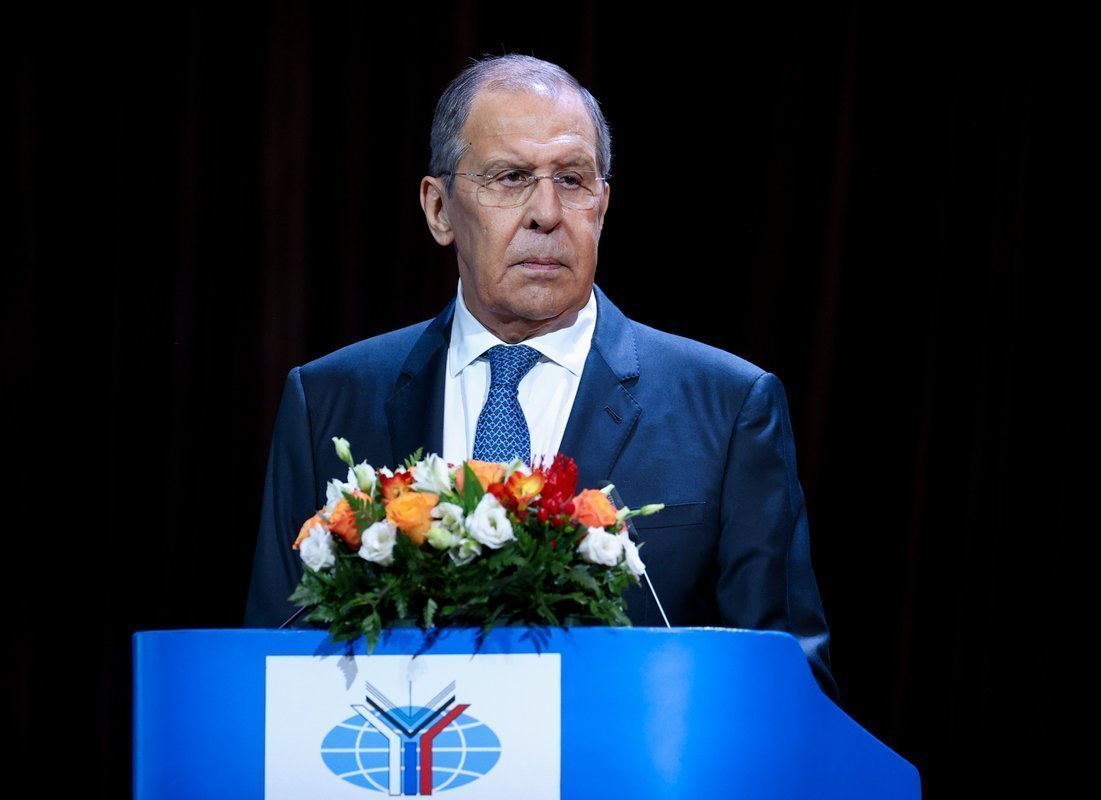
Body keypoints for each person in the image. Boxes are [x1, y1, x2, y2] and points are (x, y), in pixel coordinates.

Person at [243, 54, 837, 700]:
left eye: (573, 180)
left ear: (602, 207)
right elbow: (269, 677)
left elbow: (790, 691)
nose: (547, 213)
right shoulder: (328, 401)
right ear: (439, 209)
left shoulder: (727, 410)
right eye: (511, 177)